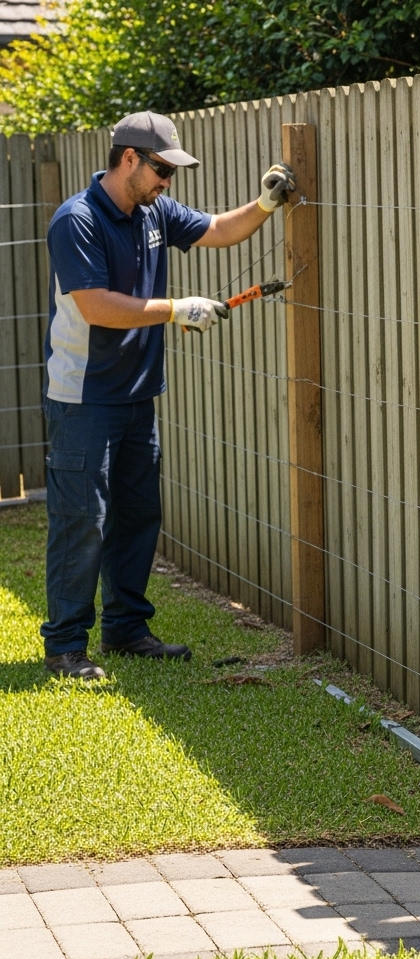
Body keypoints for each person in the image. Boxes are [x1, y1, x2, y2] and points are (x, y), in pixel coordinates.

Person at [41, 110, 296, 680]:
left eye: (171, 173)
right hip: (83, 396)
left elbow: (217, 231)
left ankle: (127, 631)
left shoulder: (153, 210)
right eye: (161, 169)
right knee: (83, 519)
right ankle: (64, 647)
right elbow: (97, 307)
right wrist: (178, 308)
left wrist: (266, 205)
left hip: (136, 396)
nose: (167, 182)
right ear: (128, 158)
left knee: (136, 516)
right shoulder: (76, 220)